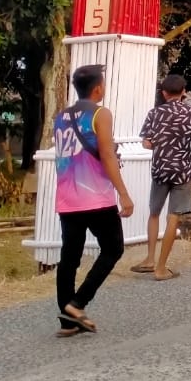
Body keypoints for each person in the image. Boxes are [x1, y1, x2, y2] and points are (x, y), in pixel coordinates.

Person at [53, 64, 133, 336]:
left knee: (69, 258)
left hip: (67, 198)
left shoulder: (61, 116)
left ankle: (67, 321)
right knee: (113, 249)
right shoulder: (101, 113)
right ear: (98, 88)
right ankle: (78, 303)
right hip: (96, 197)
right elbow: (107, 155)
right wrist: (123, 193)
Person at [133, 73, 191, 281]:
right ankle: (161, 268)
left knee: (154, 213)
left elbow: (146, 143)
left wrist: (161, 144)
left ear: (164, 93)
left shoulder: (154, 113)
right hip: (182, 170)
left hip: (160, 169)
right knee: (173, 217)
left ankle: (149, 259)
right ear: (183, 92)